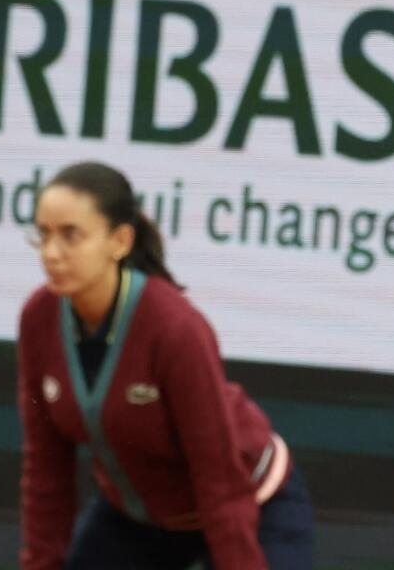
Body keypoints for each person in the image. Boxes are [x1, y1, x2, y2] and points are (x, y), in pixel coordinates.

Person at [16, 161, 314, 569]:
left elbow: (220, 483)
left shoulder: (175, 328)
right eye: (44, 234)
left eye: (71, 235)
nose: (51, 253)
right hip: (139, 519)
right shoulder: (38, 317)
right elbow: (46, 470)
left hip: (253, 504)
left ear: (119, 241)